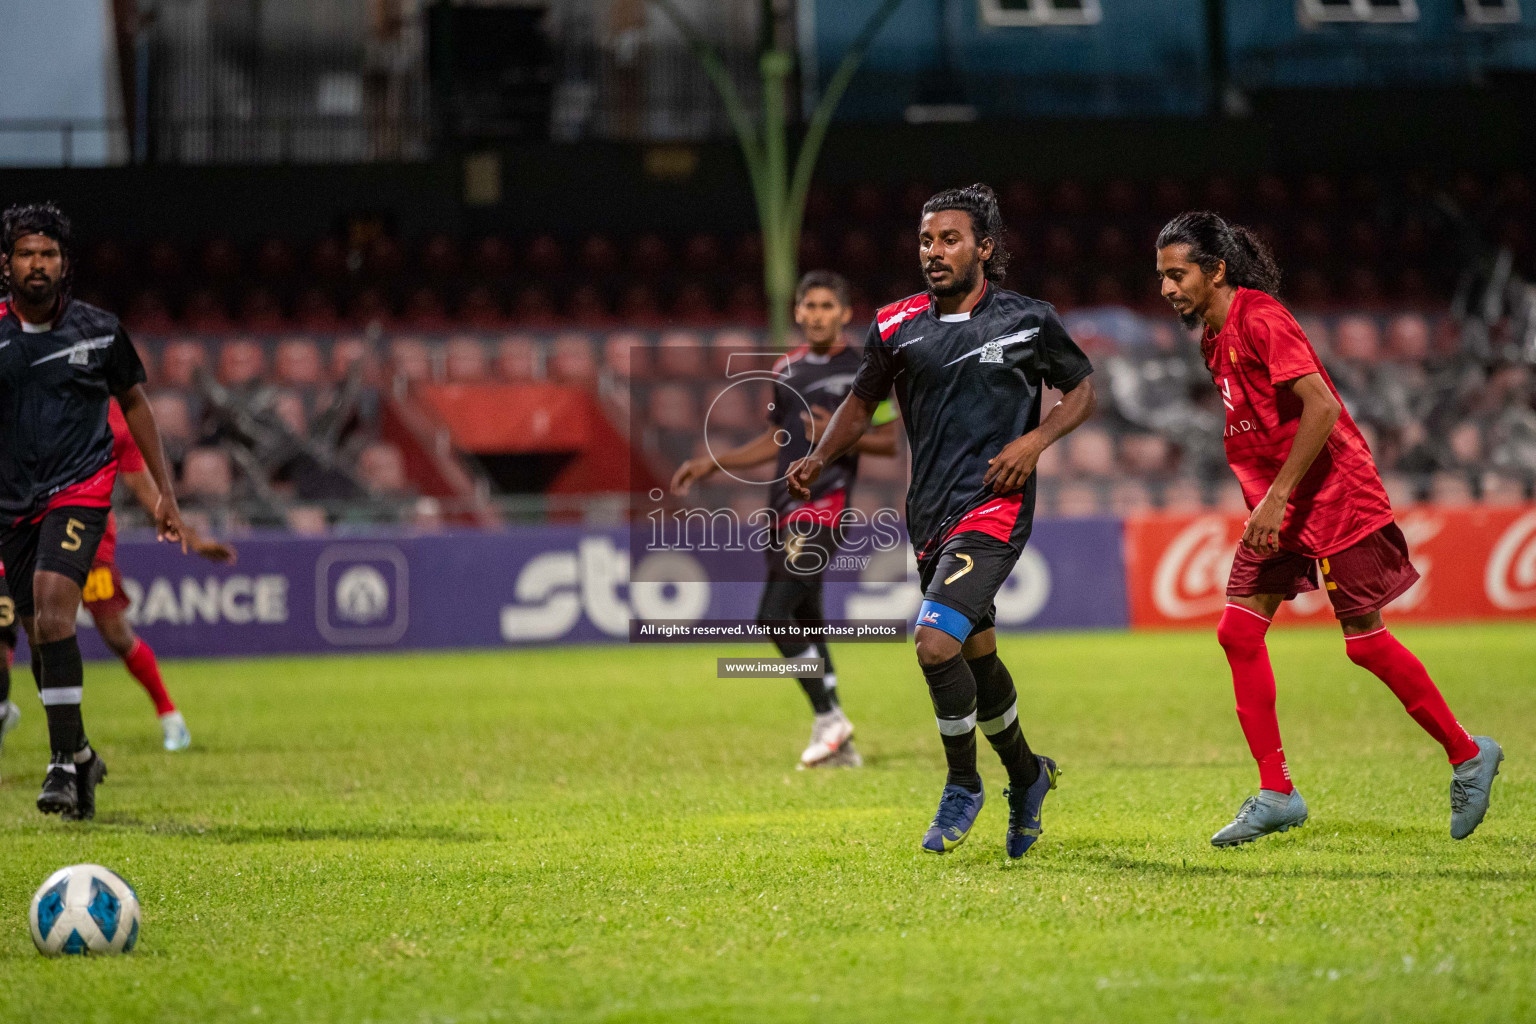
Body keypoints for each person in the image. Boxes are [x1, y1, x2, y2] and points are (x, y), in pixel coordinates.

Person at [1153, 210, 1502, 847]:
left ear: (1216, 270)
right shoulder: (1211, 335)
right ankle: (1277, 791)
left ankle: (1467, 753)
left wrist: (1279, 496)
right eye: (1163, 277)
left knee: (1364, 643)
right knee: (1238, 632)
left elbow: (1320, 407)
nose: (1168, 288)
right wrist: (1271, 498)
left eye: (1178, 275)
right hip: (1279, 504)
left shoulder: (1260, 317)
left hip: (1332, 492)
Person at [787, 185, 1097, 857]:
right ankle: (1027, 774)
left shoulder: (1028, 320)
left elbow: (1081, 390)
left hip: (995, 506)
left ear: (984, 248)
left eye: (950, 239)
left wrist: (1033, 442)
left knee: (933, 642)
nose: (934, 251)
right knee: (975, 654)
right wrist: (818, 457)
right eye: (926, 240)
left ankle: (963, 784)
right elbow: (860, 401)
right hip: (927, 512)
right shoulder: (896, 324)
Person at [0, 202, 184, 821]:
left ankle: (56, 764)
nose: (37, 264)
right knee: (38, 632)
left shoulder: (99, 332)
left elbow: (136, 407)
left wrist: (165, 495)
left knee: (55, 606)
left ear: (64, 264)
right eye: (27, 253)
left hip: (79, 490)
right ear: (7, 264)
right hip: (11, 505)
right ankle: (79, 754)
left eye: (48, 254)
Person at [671, 271, 897, 768]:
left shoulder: (865, 367)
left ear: (844, 312)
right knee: (807, 619)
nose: (816, 314)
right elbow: (775, 440)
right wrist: (715, 460)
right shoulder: (786, 369)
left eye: (826, 306)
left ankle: (828, 720)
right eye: (809, 306)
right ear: (797, 312)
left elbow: (889, 441)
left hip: (824, 510)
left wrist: (834, 434)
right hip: (781, 509)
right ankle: (841, 744)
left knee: (773, 616)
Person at [80, 400, 238, 751]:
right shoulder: (35, 389)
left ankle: (170, 715)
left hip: (89, 542)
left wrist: (193, 540)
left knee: (116, 635)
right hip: (28, 528)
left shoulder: (115, 417)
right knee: (36, 626)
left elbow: (145, 489)